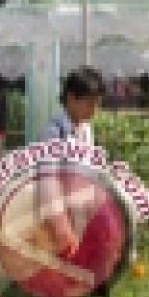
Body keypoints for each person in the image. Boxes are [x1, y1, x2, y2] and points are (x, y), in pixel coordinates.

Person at [37, 67, 106, 258]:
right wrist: (60, 225)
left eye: (98, 103)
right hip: (61, 218)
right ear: (71, 98)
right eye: (90, 103)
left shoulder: (86, 130)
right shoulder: (53, 133)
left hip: (82, 213)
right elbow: (47, 183)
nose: (94, 109)